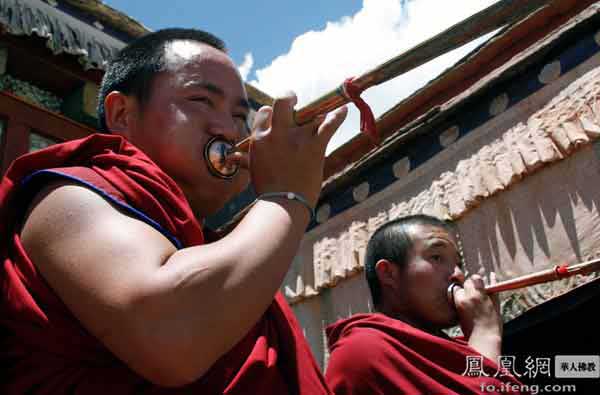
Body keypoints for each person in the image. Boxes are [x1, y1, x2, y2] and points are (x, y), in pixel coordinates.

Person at [0, 28, 347, 394]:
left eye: (239, 116)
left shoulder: (219, 254)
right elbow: (172, 335)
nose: (228, 129)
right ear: (122, 114)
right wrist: (286, 196)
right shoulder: (66, 197)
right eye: (201, 100)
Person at [325, 214, 530, 395]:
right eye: (437, 257)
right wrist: (485, 335)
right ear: (389, 273)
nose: (458, 275)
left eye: (458, 264)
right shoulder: (362, 352)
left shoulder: (457, 350)